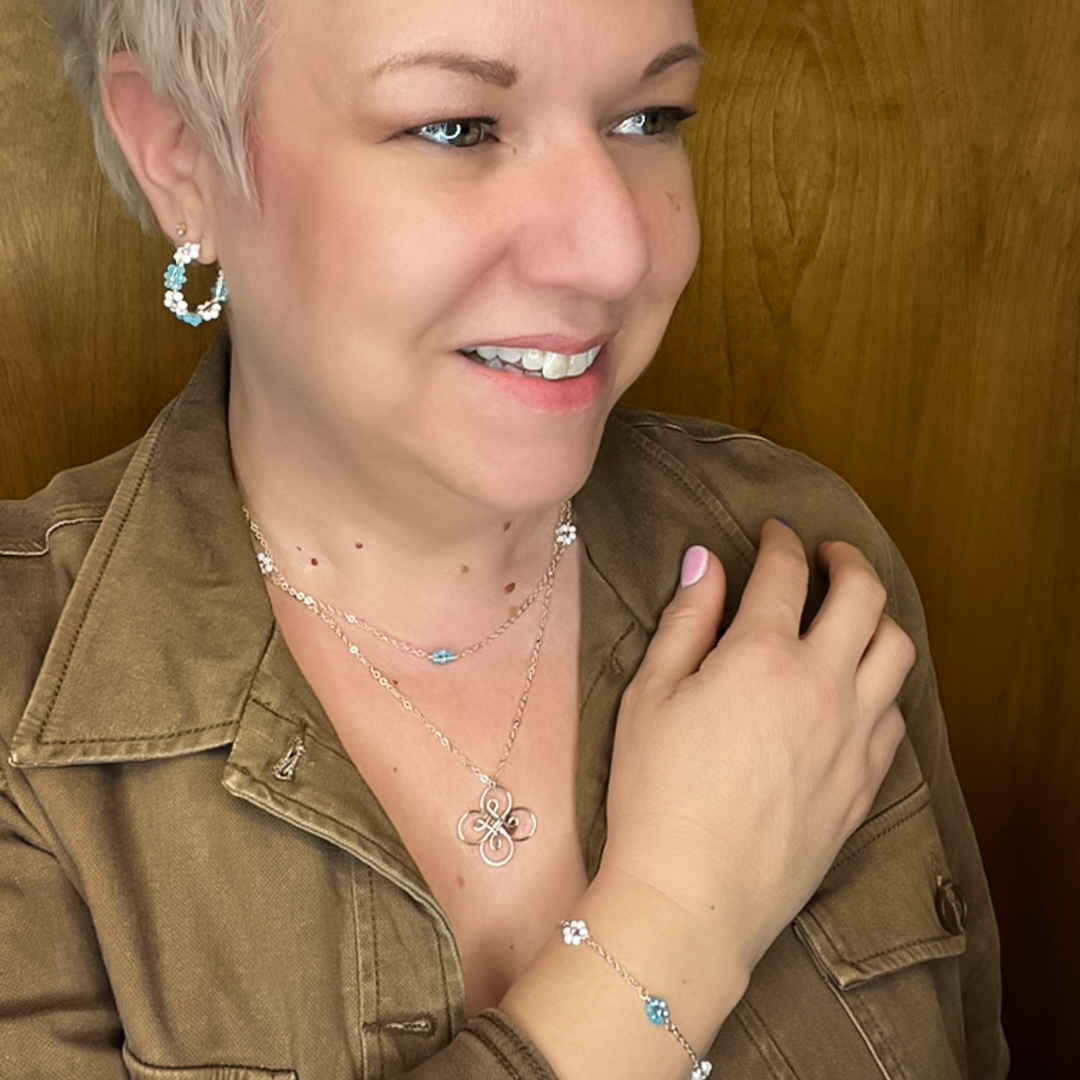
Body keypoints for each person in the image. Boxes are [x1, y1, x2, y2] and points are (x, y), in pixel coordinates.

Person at [0, 0, 1007, 1077]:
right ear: (179, 152)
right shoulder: (22, 695)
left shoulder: (800, 558)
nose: (614, 253)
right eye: (456, 128)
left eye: (651, 117)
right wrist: (674, 927)